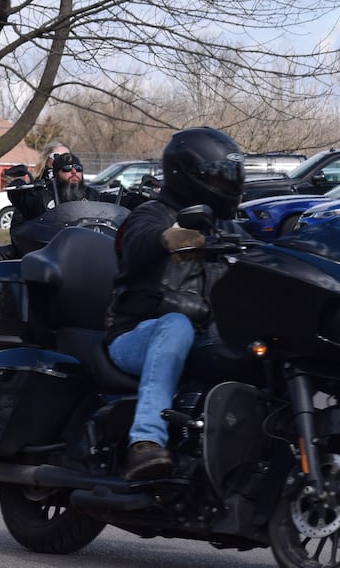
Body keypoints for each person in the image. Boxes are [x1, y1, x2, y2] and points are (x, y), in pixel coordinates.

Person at [105, 126, 244, 482]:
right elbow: (135, 242)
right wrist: (165, 239)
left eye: (231, 174)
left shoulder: (226, 227)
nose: (227, 182)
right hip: (135, 334)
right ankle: (146, 442)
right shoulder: (153, 214)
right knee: (176, 326)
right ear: (189, 174)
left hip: (202, 337)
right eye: (219, 175)